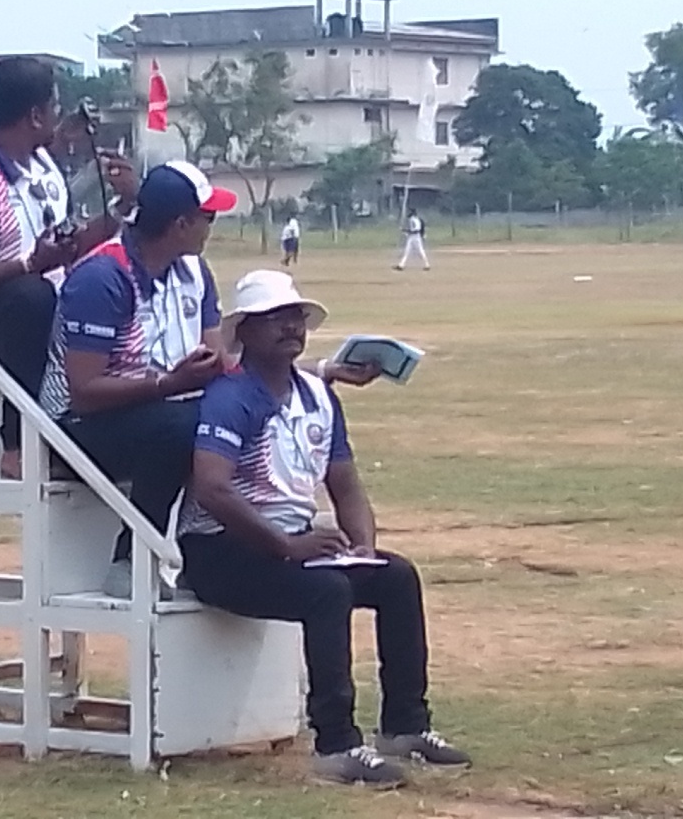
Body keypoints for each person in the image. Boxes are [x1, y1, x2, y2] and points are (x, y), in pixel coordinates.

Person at [180, 270, 470, 788]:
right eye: (275, 319)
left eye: (296, 317)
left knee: (395, 577)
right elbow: (213, 489)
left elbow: (346, 483)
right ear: (245, 331)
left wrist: (362, 546)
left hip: (292, 544)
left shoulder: (315, 393)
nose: (291, 327)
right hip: (222, 551)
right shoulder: (231, 396)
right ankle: (336, 744)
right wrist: (287, 546)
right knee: (326, 592)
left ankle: (406, 725)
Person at [0, 57, 133, 480]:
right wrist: (27, 264)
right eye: (55, 107)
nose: (60, 118)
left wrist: (123, 208)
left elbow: (67, 249)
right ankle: (17, 444)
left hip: (41, 305)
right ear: (36, 115)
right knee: (32, 295)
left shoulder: (42, 165)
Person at [42, 161, 234, 597]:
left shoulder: (195, 272)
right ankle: (131, 560)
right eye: (208, 217)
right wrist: (169, 384)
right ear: (180, 224)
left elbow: (218, 359)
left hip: (154, 409)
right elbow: (84, 393)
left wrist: (310, 373)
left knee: (230, 413)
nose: (211, 227)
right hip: (73, 425)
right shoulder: (103, 276)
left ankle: (209, 555)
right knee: (182, 425)